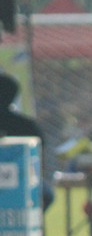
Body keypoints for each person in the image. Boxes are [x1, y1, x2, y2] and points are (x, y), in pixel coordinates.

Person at [0, 72, 53, 212]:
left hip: (19, 181)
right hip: (24, 181)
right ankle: (33, 228)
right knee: (46, 194)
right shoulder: (26, 125)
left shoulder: (25, 125)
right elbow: (40, 157)